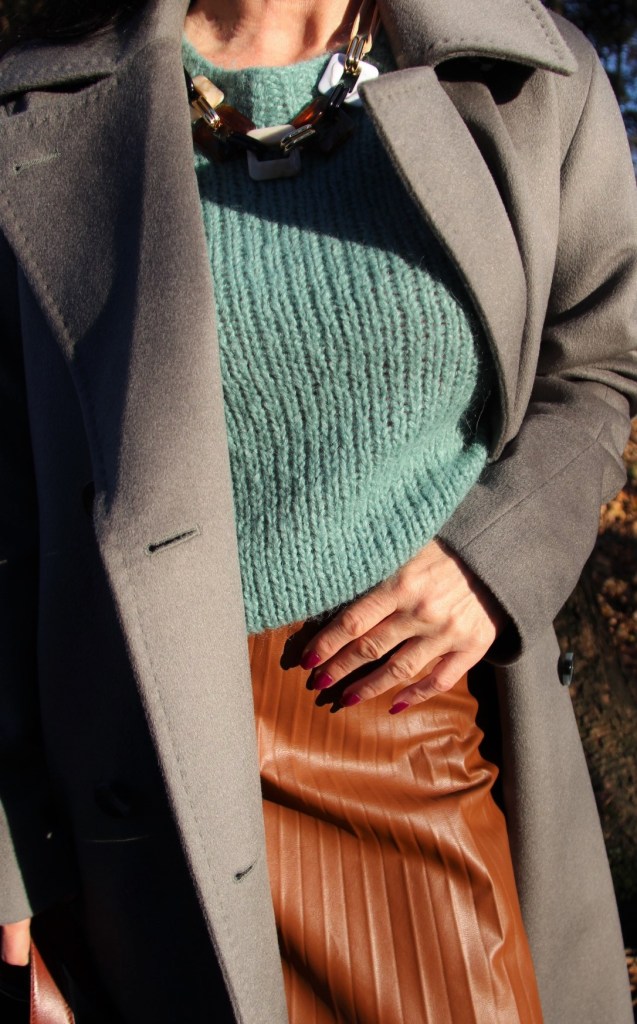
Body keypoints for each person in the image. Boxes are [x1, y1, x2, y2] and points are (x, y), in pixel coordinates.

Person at [0, 0, 635, 1021]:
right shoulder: (38, 106)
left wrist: (493, 554)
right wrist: (8, 852)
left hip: (406, 750)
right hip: (129, 806)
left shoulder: (524, 73)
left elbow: (596, 365)